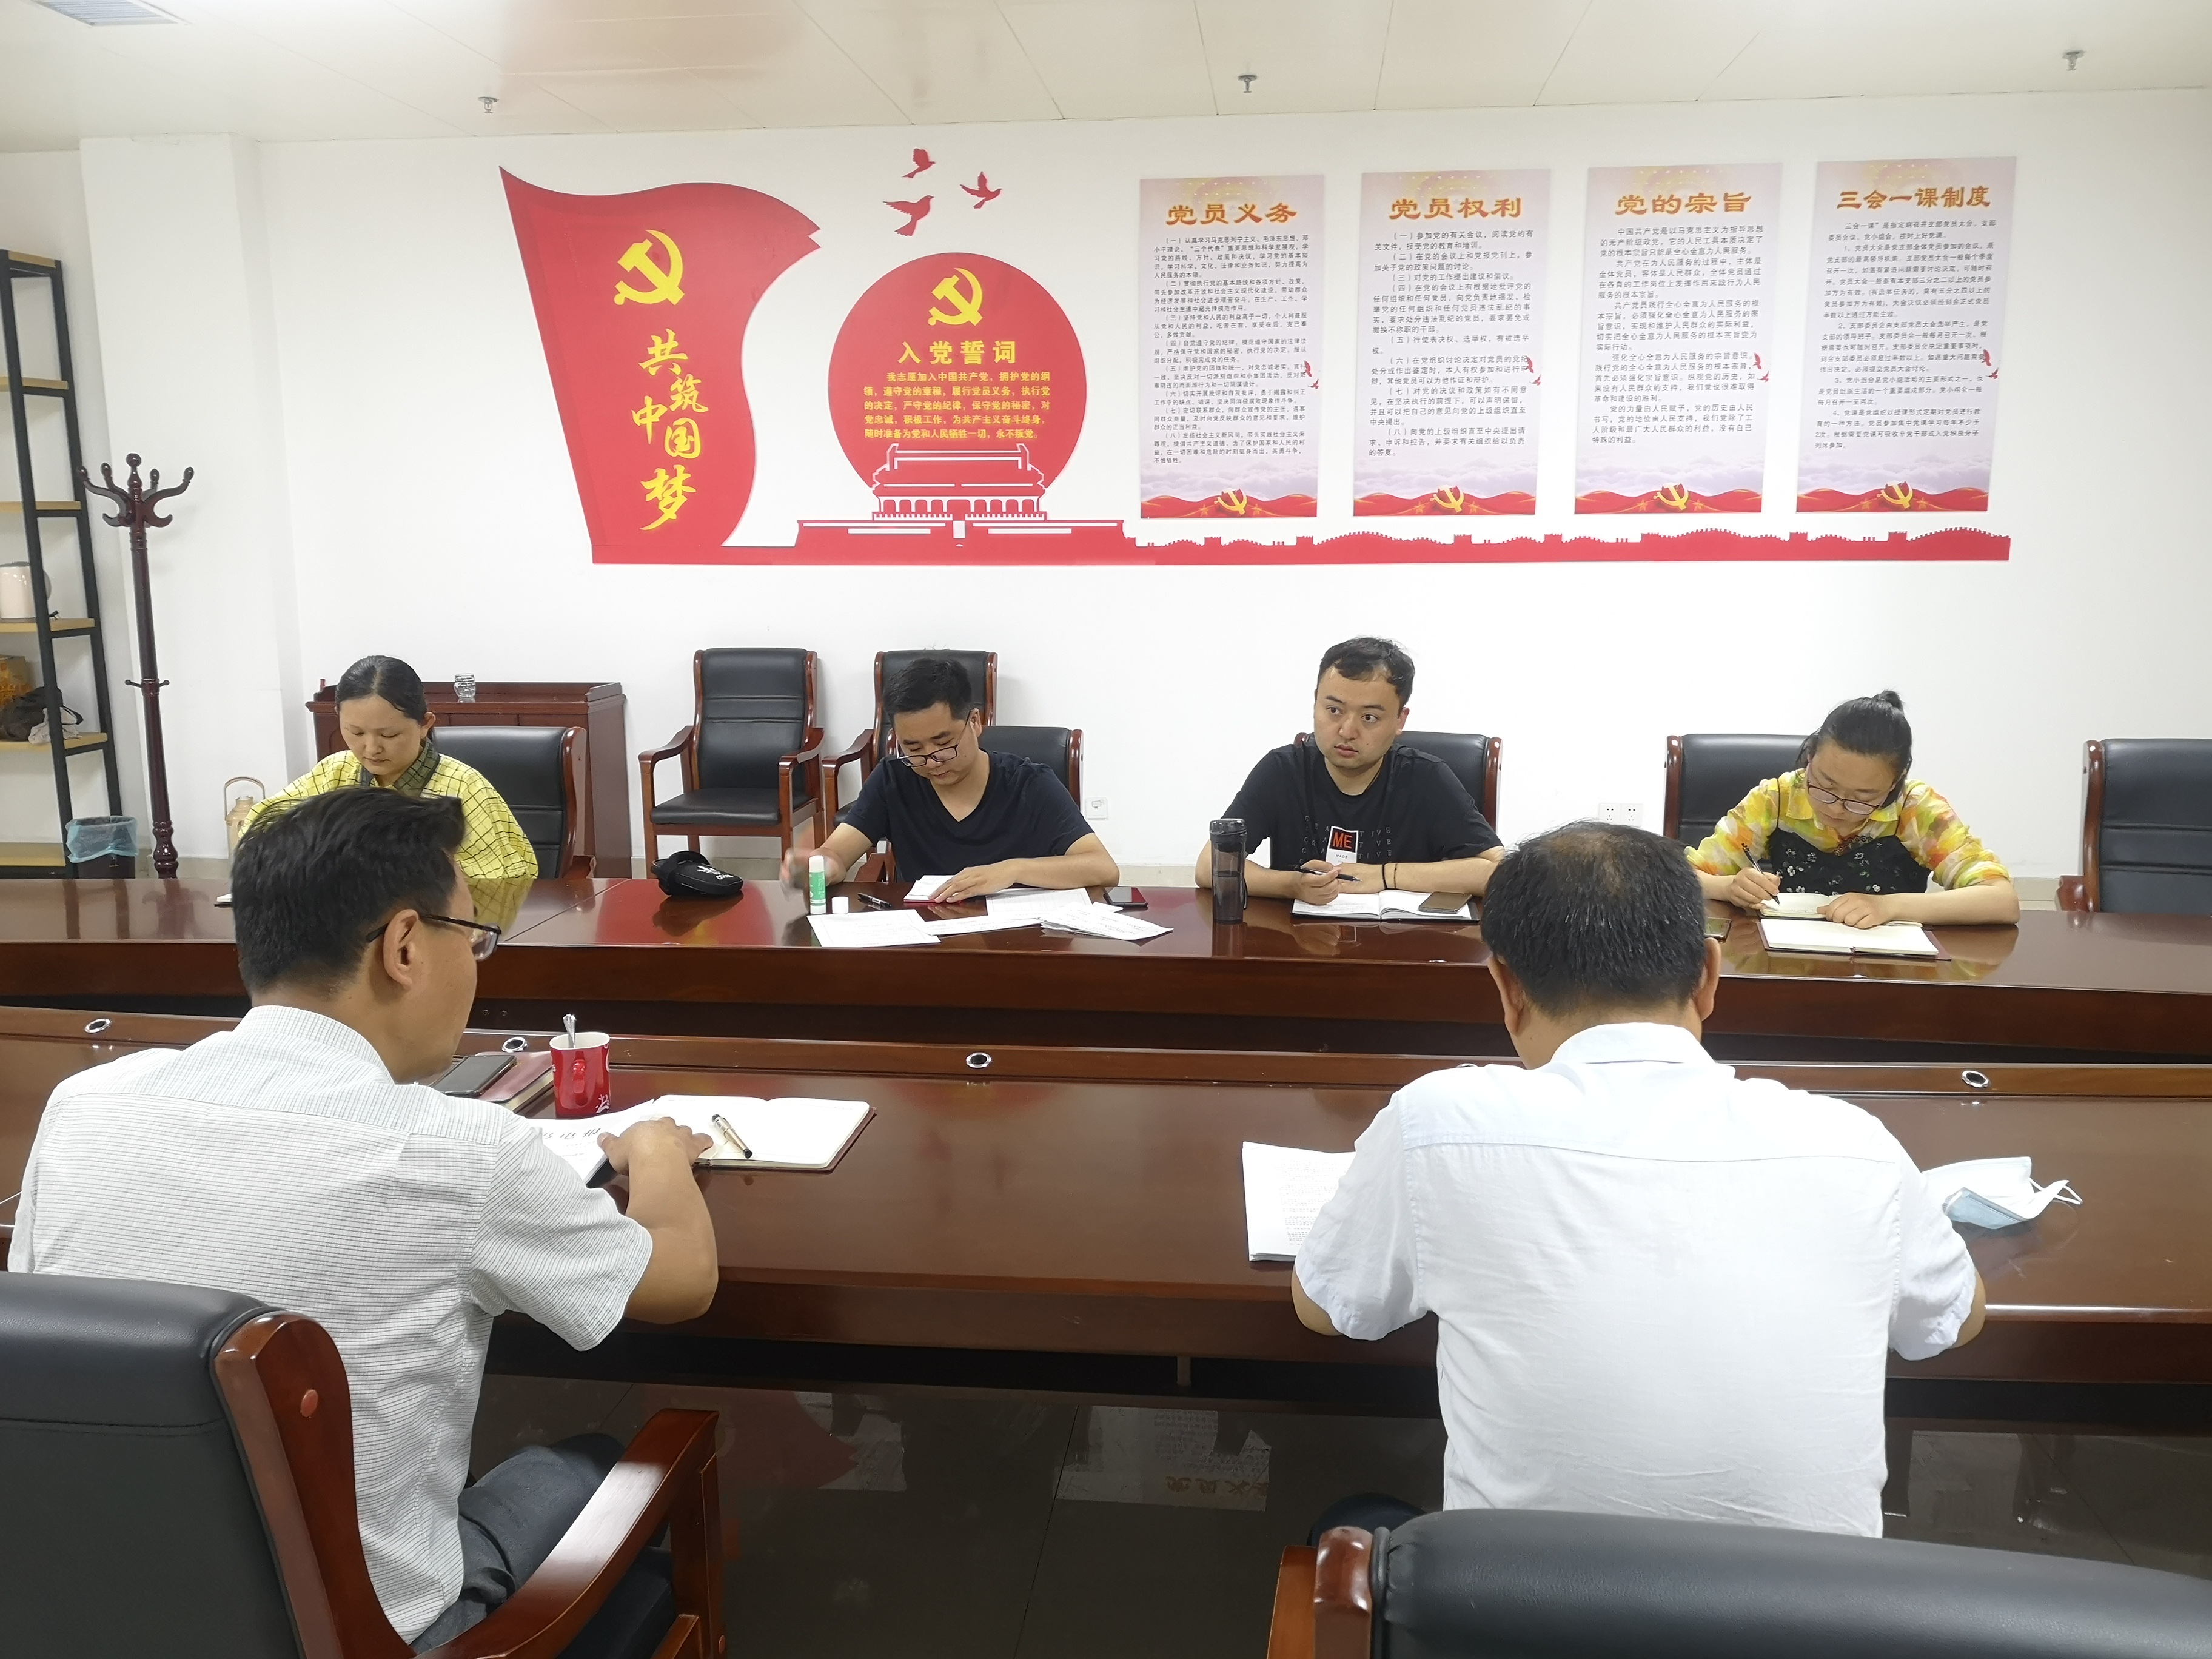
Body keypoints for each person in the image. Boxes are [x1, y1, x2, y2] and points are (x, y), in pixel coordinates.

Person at [9, 789, 719, 1647]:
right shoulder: (461, 1149)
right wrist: (657, 1152)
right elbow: (681, 1283)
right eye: (475, 938)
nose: (478, 967)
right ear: (405, 946)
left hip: (84, 1614)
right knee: (586, 1464)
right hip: (366, 1634)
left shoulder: (86, 1104)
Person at [1292, 821, 1985, 1537]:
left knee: (1355, 1521)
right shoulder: (1855, 1144)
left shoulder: (1437, 1123)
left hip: (1521, 1597)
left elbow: (1328, 1305)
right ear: (1709, 976)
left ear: (1506, 987)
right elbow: (1954, 1320)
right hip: (1811, 1603)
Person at [780, 655, 1118, 903]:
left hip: (1016, 944)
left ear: (975, 722)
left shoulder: (1030, 784)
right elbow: (837, 855)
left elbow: (1103, 868)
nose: (932, 761)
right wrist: (818, 866)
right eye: (913, 748)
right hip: (926, 940)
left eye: (944, 744)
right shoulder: (894, 779)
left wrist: (1011, 871)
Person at [1193, 637, 1503, 905]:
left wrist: (1384, 876)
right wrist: (1292, 885)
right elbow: (1210, 865)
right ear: (1315, 703)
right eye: (1334, 710)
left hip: (1402, 945)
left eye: (1369, 718)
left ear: (1400, 720)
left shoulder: (1427, 779)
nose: (1347, 731)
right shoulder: (1283, 771)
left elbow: (1499, 871)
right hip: (1302, 944)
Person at [1689, 691, 2019, 928]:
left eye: (1863, 797)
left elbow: (2000, 900)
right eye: (1825, 786)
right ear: (1810, 756)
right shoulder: (1776, 799)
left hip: (1889, 967)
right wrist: (1729, 887)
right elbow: (1682, 877)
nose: (1838, 809)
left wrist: (1889, 906)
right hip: (1789, 956)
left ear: (1896, 781)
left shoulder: (1915, 808)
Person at [252, 654, 540, 886]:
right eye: (355, 732)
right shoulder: (335, 772)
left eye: (388, 735)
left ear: (425, 724)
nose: (371, 749)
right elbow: (259, 828)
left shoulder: (464, 788)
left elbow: (502, 885)